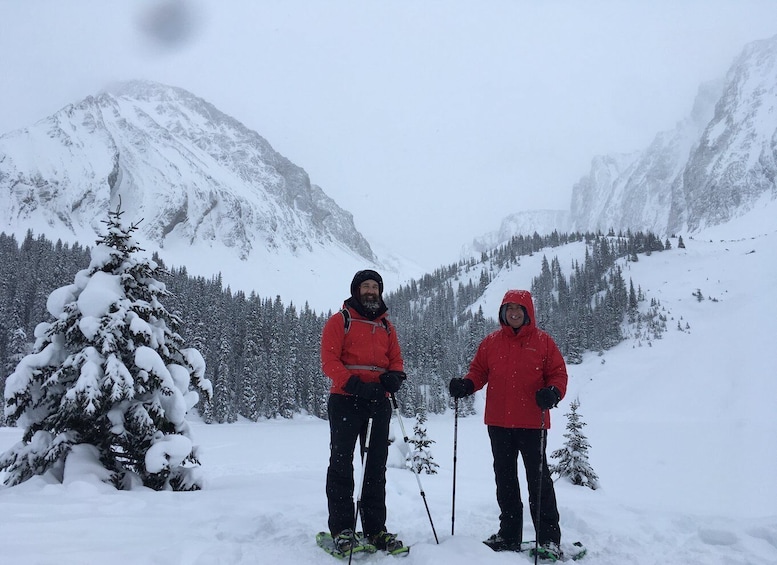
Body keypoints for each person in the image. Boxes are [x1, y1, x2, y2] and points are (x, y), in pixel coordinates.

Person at [449, 289, 568, 560]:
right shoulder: (491, 342)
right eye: (509, 308)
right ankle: (509, 534)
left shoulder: (543, 342)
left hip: (532, 422)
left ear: (528, 312)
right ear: (503, 313)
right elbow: (478, 372)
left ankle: (549, 538)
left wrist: (553, 392)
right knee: (505, 479)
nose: (513, 312)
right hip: (499, 422)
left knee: (538, 481)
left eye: (519, 308)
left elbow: (558, 373)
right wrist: (467, 385)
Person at [321, 269, 407, 555]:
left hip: (378, 403)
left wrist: (395, 377)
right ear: (356, 290)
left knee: (375, 468)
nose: (371, 291)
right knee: (341, 465)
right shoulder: (340, 320)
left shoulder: (387, 327)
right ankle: (343, 529)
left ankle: (375, 528)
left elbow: (396, 360)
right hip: (346, 400)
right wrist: (356, 385)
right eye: (366, 286)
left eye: (375, 287)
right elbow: (329, 361)